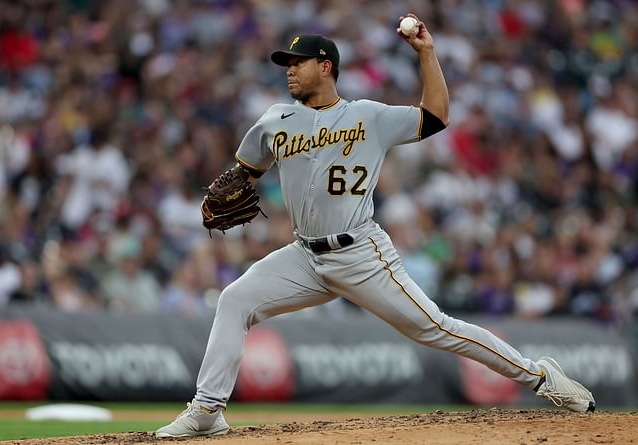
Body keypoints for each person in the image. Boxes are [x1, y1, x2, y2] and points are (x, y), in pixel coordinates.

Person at [156, 14, 595, 438]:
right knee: (235, 299)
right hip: (305, 255)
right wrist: (226, 190)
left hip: (361, 253)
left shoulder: (369, 115)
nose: (289, 71)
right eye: (286, 64)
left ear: (325, 67)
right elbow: (242, 176)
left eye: (298, 63)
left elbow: (437, 114)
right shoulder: (274, 120)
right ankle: (208, 410)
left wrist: (427, 53)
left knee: (436, 328)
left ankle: (540, 376)